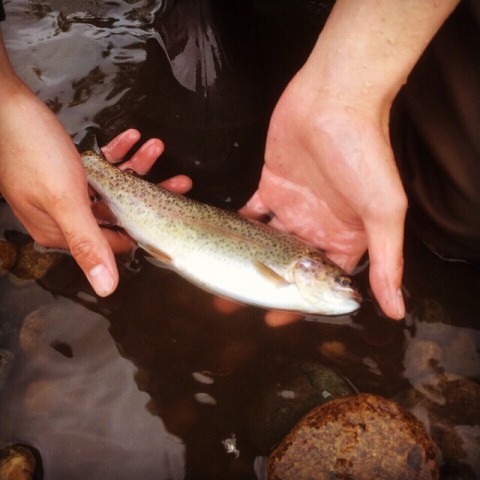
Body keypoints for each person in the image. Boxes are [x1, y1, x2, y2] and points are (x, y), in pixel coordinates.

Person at [0, 0, 462, 319]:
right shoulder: (292, 269)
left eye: (341, 281)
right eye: (340, 281)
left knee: (465, 213)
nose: (348, 289)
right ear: (306, 270)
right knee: (205, 118)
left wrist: (349, 90)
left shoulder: (294, 268)